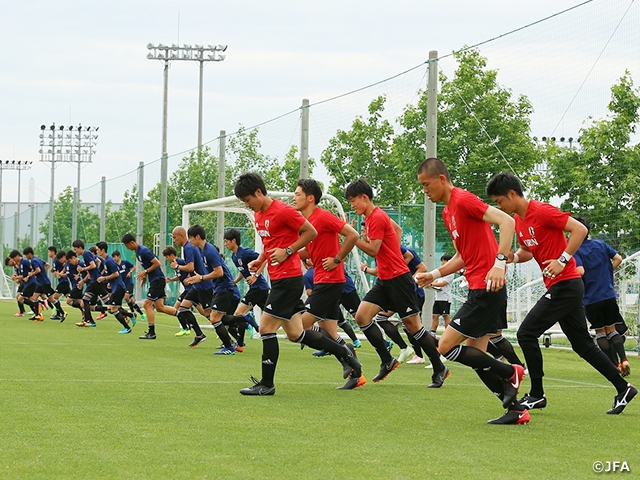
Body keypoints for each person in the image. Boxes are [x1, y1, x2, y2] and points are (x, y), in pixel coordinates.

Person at [486, 171, 636, 416]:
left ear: (512, 194)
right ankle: (624, 388)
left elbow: (579, 230)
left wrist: (563, 259)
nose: (498, 206)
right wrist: (511, 258)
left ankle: (537, 394)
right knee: (583, 345)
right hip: (562, 287)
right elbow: (527, 251)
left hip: (566, 284)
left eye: (499, 201)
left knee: (526, 333)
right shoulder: (519, 221)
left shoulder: (542, 211)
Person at [414, 159, 526, 425]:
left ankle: (512, 372)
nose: (425, 191)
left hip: (487, 288)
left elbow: (507, 221)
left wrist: (499, 263)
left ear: (441, 179)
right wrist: (434, 274)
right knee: (476, 356)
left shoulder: (463, 200)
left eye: (426, 185)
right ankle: (516, 410)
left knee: (445, 346)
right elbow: (463, 256)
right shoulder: (447, 212)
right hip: (481, 287)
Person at [234, 172, 362, 394]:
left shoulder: (283, 211)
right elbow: (269, 242)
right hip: (279, 278)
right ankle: (346, 353)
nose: (248, 205)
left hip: (289, 279)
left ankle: (267, 385)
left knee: (265, 328)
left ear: (258, 192)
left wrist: (288, 251)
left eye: (248, 200)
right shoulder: (258, 215)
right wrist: (260, 261)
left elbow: (310, 232)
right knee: (296, 333)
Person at [346, 178, 447, 387]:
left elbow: (373, 249)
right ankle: (387, 359)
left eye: (353, 200)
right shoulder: (378, 215)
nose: (352, 205)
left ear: (364, 198)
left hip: (399, 280)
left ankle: (439, 367)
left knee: (413, 327)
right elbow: (398, 230)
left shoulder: (375, 218)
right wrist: (391, 250)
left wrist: (352, 236)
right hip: (385, 279)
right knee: (362, 316)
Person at [293, 178, 365, 389]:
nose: (294, 198)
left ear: (310, 198)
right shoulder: (308, 224)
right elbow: (310, 251)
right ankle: (355, 372)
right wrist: (290, 253)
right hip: (323, 281)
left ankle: (348, 357)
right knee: (329, 331)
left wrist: (337, 259)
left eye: (297, 194)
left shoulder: (323, 217)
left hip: (330, 281)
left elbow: (353, 234)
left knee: (302, 325)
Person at [573, 216, 630, 376]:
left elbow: (580, 271)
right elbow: (618, 258)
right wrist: (607, 273)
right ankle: (624, 359)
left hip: (592, 298)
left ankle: (614, 365)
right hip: (609, 294)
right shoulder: (600, 244)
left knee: (600, 332)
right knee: (612, 329)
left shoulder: (576, 250)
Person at [181, 225, 240, 354]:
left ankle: (229, 347)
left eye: (191, 238)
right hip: (219, 287)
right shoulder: (202, 251)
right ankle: (244, 321)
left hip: (224, 287)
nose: (190, 241)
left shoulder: (209, 251)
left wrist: (201, 278)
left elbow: (219, 272)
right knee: (216, 317)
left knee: (214, 318)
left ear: (197, 237)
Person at [223, 228, 267, 347]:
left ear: (233, 241)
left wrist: (256, 276)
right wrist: (235, 281)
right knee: (274, 314)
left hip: (259, 288)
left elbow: (263, 259)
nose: (225, 244)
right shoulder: (234, 256)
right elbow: (243, 271)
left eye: (226, 241)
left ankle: (241, 342)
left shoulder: (245, 252)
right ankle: (241, 342)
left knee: (239, 313)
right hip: (257, 289)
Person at [122, 233, 170, 339]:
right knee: (160, 307)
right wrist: (145, 277)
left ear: (132, 243)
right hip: (155, 280)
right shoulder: (137, 251)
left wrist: (145, 272)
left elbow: (157, 263)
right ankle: (182, 315)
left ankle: (151, 332)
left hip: (157, 280)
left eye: (127, 246)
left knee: (147, 304)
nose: (127, 248)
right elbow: (149, 264)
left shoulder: (143, 250)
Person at [95, 242, 136, 334]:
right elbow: (114, 273)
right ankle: (131, 314)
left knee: (113, 309)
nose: (97, 251)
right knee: (111, 308)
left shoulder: (109, 261)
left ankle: (127, 327)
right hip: (116, 286)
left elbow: (116, 274)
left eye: (98, 249)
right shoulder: (107, 261)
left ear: (102, 250)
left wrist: (104, 278)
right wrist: (109, 282)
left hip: (119, 287)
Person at [23, 247, 54, 321]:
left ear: (30, 254)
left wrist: (32, 274)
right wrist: (44, 272)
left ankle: (59, 311)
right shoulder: (38, 259)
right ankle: (38, 315)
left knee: (51, 298)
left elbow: (38, 270)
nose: (26, 257)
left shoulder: (33, 261)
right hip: (41, 282)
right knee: (34, 298)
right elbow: (47, 264)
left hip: (43, 282)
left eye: (26, 255)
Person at [112, 250, 144, 319]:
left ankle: (132, 313)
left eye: (115, 257)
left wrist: (130, 272)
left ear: (118, 256)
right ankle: (141, 314)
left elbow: (134, 267)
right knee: (131, 300)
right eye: (113, 257)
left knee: (126, 297)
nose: (114, 259)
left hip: (129, 283)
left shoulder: (125, 263)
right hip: (122, 285)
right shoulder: (115, 266)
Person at [8, 250, 40, 319]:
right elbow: (23, 276)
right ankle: (37, 312)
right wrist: (17, 278)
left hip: (32, 282)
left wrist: (28, 277)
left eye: (13, 258)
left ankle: (37, 306)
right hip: (27, 283)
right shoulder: (20, 264)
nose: (13, 260)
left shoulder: (24, 261)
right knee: (29, 298)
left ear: (17, 256)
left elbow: (32, 269)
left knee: (20, 298)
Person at [49, 249, 70, 321]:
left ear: (53, 252)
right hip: (64, 282)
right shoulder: (56, 261)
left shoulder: (56, 260)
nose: (48, 253)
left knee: (53, 298)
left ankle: (60, 313)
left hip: (63, 282)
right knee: (71, 300)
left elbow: (64, 267)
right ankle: (83, 310)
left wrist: (59, 274)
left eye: (49, 251)